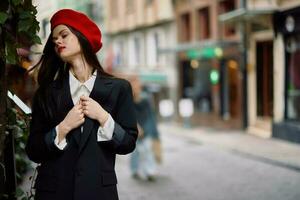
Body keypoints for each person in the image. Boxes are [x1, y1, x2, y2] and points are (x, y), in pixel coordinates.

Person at [25, 9, 138, 200]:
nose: (58, 41)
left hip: (99, 194)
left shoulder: (119, 88)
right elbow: (33, 150)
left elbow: (128, 144)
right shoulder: (46, 92)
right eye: (54, 40)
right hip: (54, 194)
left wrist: (103, 117)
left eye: (64, 35)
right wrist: (63, 128)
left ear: (82, 35)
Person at [129, 76, 160, 181]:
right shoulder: (128, 100)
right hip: (133, 129)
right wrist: (136, 126)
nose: (136, 87)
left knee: (147, 149)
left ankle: (150, 172)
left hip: (145, 129)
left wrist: (151, 131)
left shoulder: (145, 98)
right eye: (133, 85)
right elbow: (128, 114)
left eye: (137, 85)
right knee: (135, 151)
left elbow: (150, 115)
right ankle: (134, 170)